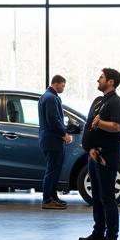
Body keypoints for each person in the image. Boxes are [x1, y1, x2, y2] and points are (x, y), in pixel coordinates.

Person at [78, 68, 120, 240]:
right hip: (93, 155)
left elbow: (117, 127)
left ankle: (112, 237)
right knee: (97, 196)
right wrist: (90, 147)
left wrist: (100, 123)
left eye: (101, 78)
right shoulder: (99, 101)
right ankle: (98, 232)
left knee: (107, 197)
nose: (97, 80)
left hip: (107, 156)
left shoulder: (117, 103)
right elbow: (91, 124)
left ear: (111, 82)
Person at [38, 74, 72, 210]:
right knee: (52, 171)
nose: (63, 88)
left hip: (49, 140)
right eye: (63, 86)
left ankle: (53, 197)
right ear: (56, 83)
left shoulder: (47, 96)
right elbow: (53, 120)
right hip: (53, 141)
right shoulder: (51, 98)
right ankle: (47, 200)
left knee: (54, 170)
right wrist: (64, 134)